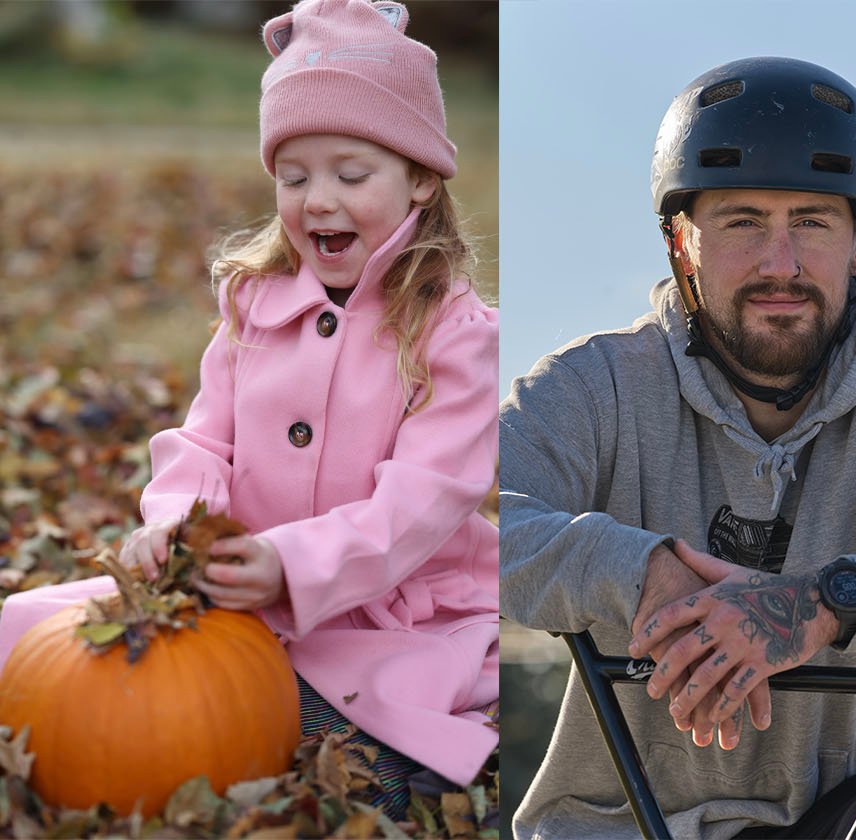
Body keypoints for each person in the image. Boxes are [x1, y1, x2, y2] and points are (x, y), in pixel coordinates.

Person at [499, 56, 856, 839]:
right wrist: (637, 571)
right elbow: (454, 517)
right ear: (679, 241)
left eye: (812, 222)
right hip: (622, 826)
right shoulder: (594, 385)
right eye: (742, 221)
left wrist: (828, 601)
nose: (780, 264)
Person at [0, 0, 499, 820]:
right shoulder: (255, 305)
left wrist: (292, 567)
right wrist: (179, 530)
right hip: (233, 595)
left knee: (353, 739)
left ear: (419, 175)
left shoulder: (451, 332)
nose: (318, 201)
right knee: (34, 640)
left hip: (381, 604)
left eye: (350, 172)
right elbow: (202, 442)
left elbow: (424, 502)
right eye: (294, 176)